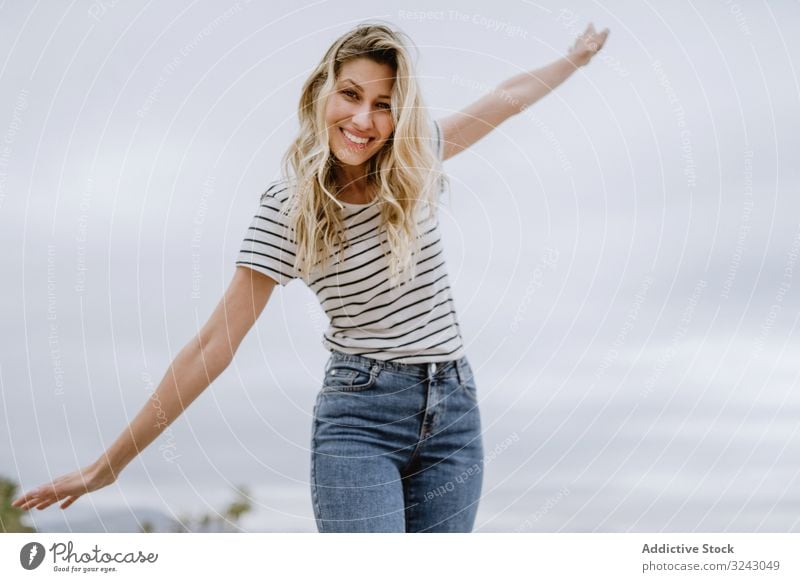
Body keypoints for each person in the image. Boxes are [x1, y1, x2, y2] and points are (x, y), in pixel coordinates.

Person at [12, 20, 609, 532]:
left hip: (454, 412)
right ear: (322, 92)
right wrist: (109, 464)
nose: (363, 119)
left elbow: (505, 97)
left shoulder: (416, 158)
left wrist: (574, 59)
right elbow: (212, 346)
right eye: (350, 94)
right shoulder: (289, 208)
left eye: (383, 105)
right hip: (360, 422)